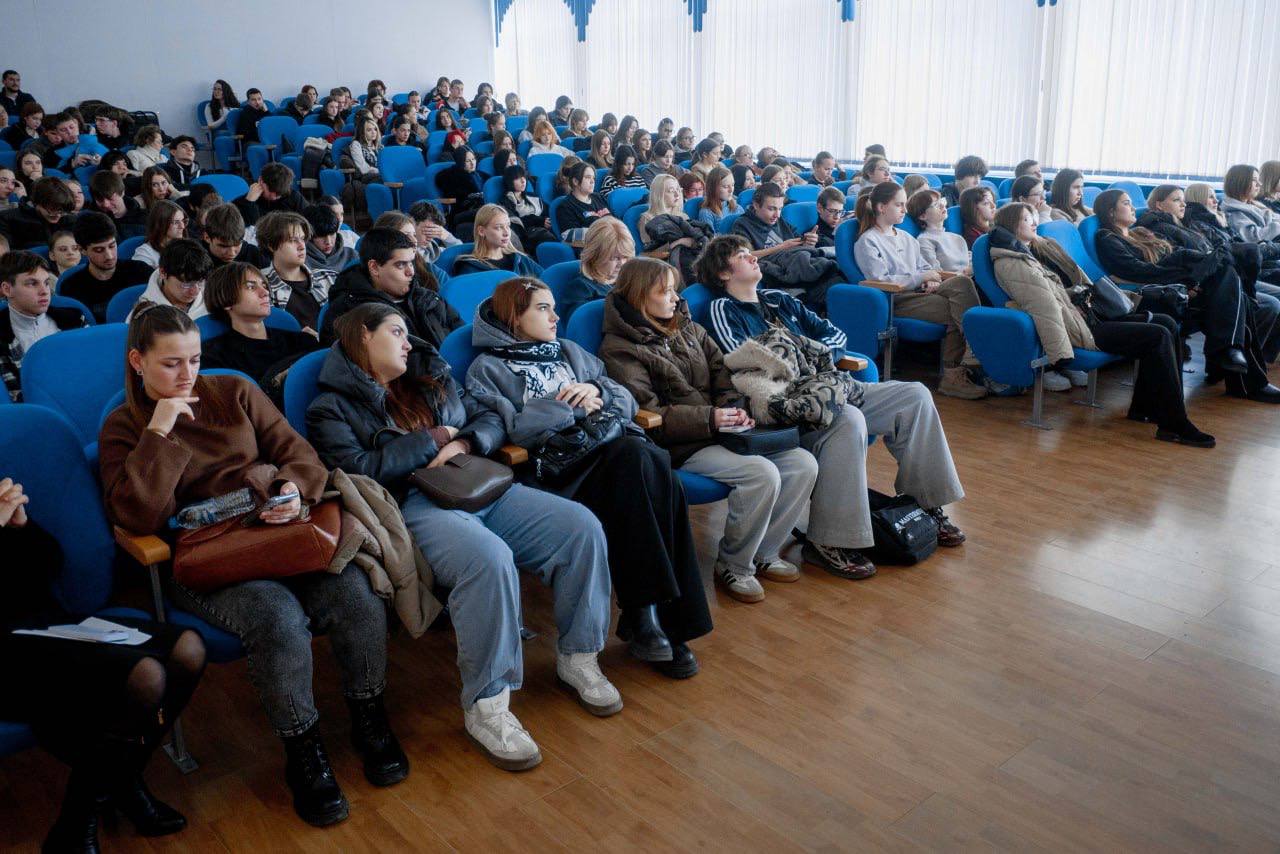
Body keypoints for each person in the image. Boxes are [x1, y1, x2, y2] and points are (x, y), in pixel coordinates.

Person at [100, 303, 409, 827]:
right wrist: (159, 433)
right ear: (138, 361)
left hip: (276, 532)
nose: (188, 374)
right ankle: (304, 752)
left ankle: (369, 719)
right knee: (277, 618)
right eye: (171, 363)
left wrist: (291, 489)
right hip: (207, 558)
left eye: (195, 359)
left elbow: (300, 455)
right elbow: (138, 516)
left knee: (355, 593)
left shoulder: (234, 392)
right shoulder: (124, 427)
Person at [306, 302, 616, 770]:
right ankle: (488, 706)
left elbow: (488, 418)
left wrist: (462, 441)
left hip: (477, 483)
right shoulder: (329, 408)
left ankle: (579, 657)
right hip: (413, 504)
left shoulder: (430, 375)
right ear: (363, 336)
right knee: (488, 560)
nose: (408, 343)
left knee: (581, 527)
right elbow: (358, 469)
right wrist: (433, 439)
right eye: (396, 332)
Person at [467, 278, 713, 678]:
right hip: (556, 472)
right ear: (514, 317)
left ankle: (649, 616)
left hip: (612, 459)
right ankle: (658, 621)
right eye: (543, 309)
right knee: (644, 462)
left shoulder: (568, 351)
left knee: (649, 463)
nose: (555, 316)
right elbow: (516, 431)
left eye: (553, 307)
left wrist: (594, 389)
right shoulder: (488, 369)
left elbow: (625, 399)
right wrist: (571, 406)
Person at [698, 235, 967, 578]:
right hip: (791, 406)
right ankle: (829, 540)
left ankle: (927, 506)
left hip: (832, 387)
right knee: (848, 418)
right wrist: (808, 355)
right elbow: (746, 358)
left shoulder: (780, 300)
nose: (754, 258)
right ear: (723, 273)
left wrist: (808, 354)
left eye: (752, 253)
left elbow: (835, 336)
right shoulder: (723, 309)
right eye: (742, 255)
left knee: (914, 395)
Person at [0, 473, 206, 852]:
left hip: (54, 630)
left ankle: (121, 781)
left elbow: (49, 566)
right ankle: (76, 824)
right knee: (145, 676)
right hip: (10, 657)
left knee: (188, 649)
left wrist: (20, 527)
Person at [599, 257, 818, 601]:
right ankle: (734, 564)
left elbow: (723, 374)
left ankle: (764, 550)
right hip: (679, 444)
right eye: (665, 292)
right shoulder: (619, 349)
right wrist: (711, 418)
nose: (676, 298)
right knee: (761, 474)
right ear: (640, 297)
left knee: (803, 463)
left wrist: (735, 409)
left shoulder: (688, 327)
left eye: (675, 290)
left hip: (722, 430)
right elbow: (649, 414)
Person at [990, 203, 1214, 446]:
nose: (1035, 222)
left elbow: (1080, 281)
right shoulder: (1012, 263)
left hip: (1093, 312)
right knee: (1157, 335)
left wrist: (1102, 300)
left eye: (1033, 216)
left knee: (1166, 322)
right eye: (1026, 219)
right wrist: (1061, 352)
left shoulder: (1044, 247)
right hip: (1080, 327)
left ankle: (1144, 407)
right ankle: (1174, 423)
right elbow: (1044, 307)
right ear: (1012, 225)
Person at [1093, 189, 1277, 400]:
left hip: (1177, 286)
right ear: (1111, 211)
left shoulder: (1139, 233)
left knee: (1233, 279)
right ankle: (1241, 372)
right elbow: (1137, 271)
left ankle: (1233, 360)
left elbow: (1174, 254)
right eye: (1126, 203)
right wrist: (1184, 278)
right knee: (1234, 287)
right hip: (1158, 296)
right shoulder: (1107, 238)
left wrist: (1194, 269)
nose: (1134, 207)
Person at [854, 182, 989, 399]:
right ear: (881, 207)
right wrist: (920, 278)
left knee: (962, 283)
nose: (904, 210)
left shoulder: (906, 237)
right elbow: (880, 280)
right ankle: (959, 369)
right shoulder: (868, 241)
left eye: (904, 204)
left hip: (920, 293)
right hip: (896, 299)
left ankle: (969, 357)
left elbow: (925, 268)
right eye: (899, 205)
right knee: (955, 309)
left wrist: (930, 280)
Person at [1141, 184, 1280, 365]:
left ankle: (1250, 360)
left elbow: (1215, 250)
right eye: (1176, 200)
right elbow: (1184, 260)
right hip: (1204, 284)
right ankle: (1241, 361)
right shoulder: (1160, 228)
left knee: (1268, 299)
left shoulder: (1185, 224)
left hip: (1223, 274)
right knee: (1269, 304)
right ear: (1159, 205)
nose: (1183, 204)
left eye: (1183, 200)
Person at [321, 227, 458, 350]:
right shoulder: (346, 314)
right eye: (400, 265)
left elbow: (461, 343)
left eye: (411, 263)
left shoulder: (429, 299)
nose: (411, 272)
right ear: (374, 268)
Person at [201, 262, 321, 398]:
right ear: (225, 300)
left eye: (264, 285)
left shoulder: (303, 341)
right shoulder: (213, 356)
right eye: (251, 287)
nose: (265, 292)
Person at [729, 181, 841, 310]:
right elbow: (745, 256)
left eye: (780, 208)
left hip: (794, 263)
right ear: (756, 205)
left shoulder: (779, 220)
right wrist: (781, 247)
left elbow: (798, 243)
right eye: (771, 209)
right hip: (774, 270)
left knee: (835, 280)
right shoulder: (742, 224)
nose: (777, 214)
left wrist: (808, 242)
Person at [0, 251, 89, 400]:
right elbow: (13, 397)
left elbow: (92, 371)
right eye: (32, 283)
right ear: (7, 289)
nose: (44, 291)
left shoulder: (74, 320)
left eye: (46, 283)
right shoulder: (2, 337)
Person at [58, 213, 153, 321]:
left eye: (112, 246)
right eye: (99, 250)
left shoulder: (141, 271)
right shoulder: (71, 288)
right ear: (82, 250)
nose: (109, 256)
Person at [258, 210, 336, 331]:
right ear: (271, 245)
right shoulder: (260, 286)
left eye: (303, 239)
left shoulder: (330, 278)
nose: (302, 246)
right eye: (293, 240)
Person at [636, 174, 712, 285]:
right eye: (671, 191)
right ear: (659, 194)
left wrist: (694, 242)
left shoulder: (683, 216)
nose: (677, 194)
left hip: (690, 258)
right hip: (665, 267)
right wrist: (679, 242)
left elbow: (696, 240)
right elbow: (649, 255)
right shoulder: (647, 219)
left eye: (678, 190)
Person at [560, 217, 635, 325]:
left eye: (625, 257)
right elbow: (580, 327)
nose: (622, 264)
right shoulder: (581, 288)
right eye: (615, 258)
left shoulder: (629, 280)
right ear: (596, 256)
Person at [128, 238, 212, 321]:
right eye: (187, 284)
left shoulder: (212, 301)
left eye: (200, 281)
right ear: (163, 273)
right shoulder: (144, 316)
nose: (195, 291)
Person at [455, 204, 544, 277]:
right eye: (498, 227)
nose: (506, 233)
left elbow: (545, 281)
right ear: (481, 231)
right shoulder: (470, 269)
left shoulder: (521, 259)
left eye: (508, 226)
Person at [0, 175, 76, 250]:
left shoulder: (69, 220)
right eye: (53, 210)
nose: (58, 215)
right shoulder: (7, 219)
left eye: (62, 211)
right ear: (37, 202)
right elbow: (7, 253)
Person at [498, 164, 554, 256]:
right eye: (517, 178)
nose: (523, 181)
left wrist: (547, 220)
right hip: (526, 235)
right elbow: (514, 222)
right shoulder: (505, 201)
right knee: (547, 238)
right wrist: (538, 220)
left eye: (523, 177)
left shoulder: (532, 196)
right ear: (509, 181)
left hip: (545, 228)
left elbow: (548, 210)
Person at [1222, 163, 1280, 243]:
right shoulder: (1232, 212)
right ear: (1240, 183)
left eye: (1259, 180)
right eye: (1254, 180)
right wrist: (1276, 226)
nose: (1259, 184)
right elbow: (1254, 237)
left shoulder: (1253, 204)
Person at [233, 163, 306, 225]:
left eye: (279, 194)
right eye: (271, 191)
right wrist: (249, 203)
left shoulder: (294, 197)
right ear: (260, 180)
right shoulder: (243, 202)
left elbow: (309, 220)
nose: (274, 197)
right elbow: (252, 228)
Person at [557, 161, 611, 242]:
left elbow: (616, 220)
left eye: (593, 178)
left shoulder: (599, 197)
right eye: (588, 177)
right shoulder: (566, 206)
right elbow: (570, 236)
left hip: (613, 241)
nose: (592, 181)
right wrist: (605, 233)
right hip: (594, 246)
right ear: (575, 181)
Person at [202, 202, 268, 269]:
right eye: (224, 246)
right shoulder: (197, 257)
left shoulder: (256, 256)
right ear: (207, 237)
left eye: (237, 244)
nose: (231, 253)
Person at [89, 170, 147, 239]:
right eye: (100, 200)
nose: (106, 205)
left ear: (122, 192)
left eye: (110, 198)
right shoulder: (91, 223)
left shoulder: (145, 218)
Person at [303, 202, 358, 273]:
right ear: (309, 236)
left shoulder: (351, 255)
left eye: (332, 234)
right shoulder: (302, 261)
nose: (328, 242)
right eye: (321, 236)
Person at [133, 199, 187, 269]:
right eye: (176, 222)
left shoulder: (185, 246)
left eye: (183, 221)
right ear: (160, 225)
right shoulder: (144, 254)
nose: (182, 226)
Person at [406, 201, 463, 265]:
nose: (430, 238)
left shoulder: (432, 249)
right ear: (412, 223)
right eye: (428, 231)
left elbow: (461, 251)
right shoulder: (402, 250)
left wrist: (446, 236)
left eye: (433, 232)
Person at [697, 165, 740, 232]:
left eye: (732, 185)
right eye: (726, 186)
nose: (731, 190)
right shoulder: (706, 213)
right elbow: (710, 237)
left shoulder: (737, 207)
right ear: (713, 188)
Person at [814, 186, 849, 253]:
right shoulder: (813, 238)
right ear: (819, 208)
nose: (837, 217)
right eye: (832, 211)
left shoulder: (844, 229)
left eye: (840, 211)